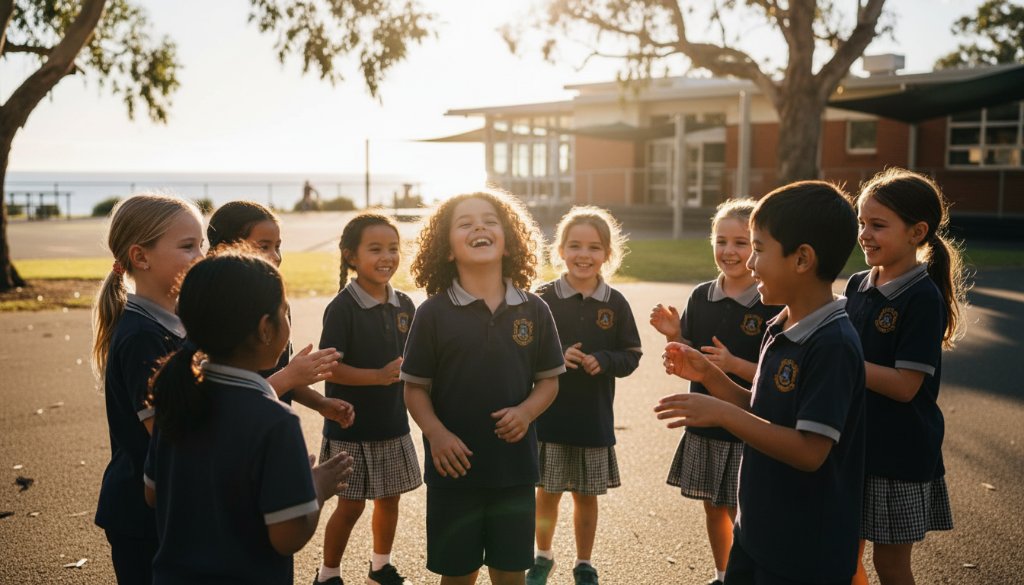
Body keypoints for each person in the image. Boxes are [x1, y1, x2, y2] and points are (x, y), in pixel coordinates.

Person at [656, 181, 866, 585]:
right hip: (757, 530)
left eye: (758, 249)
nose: (749, 264)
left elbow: (809, 451)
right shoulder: (782, 322)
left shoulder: (833, 343)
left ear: (802, 259)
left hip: (804, 548)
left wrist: (718, 412)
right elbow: (762, 409)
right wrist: (709, 376)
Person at [143, 251, 354, 584]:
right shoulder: (275, 422)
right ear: (264, 329)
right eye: (284, 312)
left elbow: (152, 494)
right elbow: (287, 537)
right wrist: (317, 486)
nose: (288, 320)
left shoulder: (176, 399)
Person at [400, 191, 566, 585]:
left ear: (509, 239)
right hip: (453, 471)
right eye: (465, 223)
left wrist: (527, 412)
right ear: (446, 249)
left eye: (490, 220)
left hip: (515, 471)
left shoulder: (534, 309)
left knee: (510, 572)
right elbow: (414, 389)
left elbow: (549, 381)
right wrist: (437, 436)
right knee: (458, 574)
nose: (479, 227)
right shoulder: (433, 313)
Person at [649, 199, 780, 585]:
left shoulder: (770, 298)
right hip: (704, 423)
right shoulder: (700, 295)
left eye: (742, 243)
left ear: (758, 247)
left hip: (748, 424)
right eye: (721, 240)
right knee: (713, 506)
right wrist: (675, 336)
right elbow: (692, 353)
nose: (729, 251)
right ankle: (723, 574)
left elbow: (780, 376)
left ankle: (749, 575)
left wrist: (733, 365)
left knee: (745, 509)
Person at [847, 169, 963, 585]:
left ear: (917, 232)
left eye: (877, 225)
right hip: (854, 445)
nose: (864, 233)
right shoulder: (858, 283)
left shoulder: (921, 297)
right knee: (843, 554)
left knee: (891, 565)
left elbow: (904, 385)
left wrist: (842, 364)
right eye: (861, 222)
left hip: (899, 452)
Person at [91, 194, 204, 584]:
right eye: (188, 246)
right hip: (141, 515)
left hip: (169, 507)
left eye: (201, 245)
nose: (200, 256)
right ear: (141, 257)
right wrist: (280, 384)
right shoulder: (141, 336)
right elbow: (170, 433)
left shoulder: (179, 322)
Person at [528, 206, 642, 585]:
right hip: (549, 417)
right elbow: (522, 352)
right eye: (574, 245)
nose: (584, 254)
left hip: (593, 420)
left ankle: (584, 562)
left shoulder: (616, 303)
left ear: (607, 254)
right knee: (547, 492)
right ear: (559, 250)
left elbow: (631, 355)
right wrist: (556, 357)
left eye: (594, 247)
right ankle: (542, 556)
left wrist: (605, 360)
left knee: (585, 496)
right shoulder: (541, 298)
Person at [315, 213, 422, 585]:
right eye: (375, 249)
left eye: (393, 248)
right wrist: (376, 378)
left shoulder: (406, 305)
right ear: (351, 256)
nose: (387, 257)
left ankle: (380, 566)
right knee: (350, 506)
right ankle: (327, 574)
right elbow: (329, 368)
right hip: (351, 427)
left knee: (389, 500)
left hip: (392, 423)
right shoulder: (342, 308)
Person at [207, 201, 354, 427]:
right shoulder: (211, 310)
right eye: (264, 247)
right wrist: (290, 376)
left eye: (277, 246)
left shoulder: (276, 302)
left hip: (274, 430)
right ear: (224, 250)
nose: (275, 256)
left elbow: (284, 373)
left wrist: (320, 403)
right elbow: (228, 404)